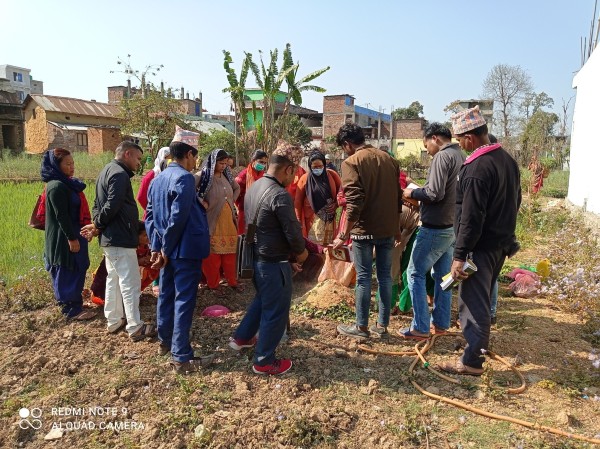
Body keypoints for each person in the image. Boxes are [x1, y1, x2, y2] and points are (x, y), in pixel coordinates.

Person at [439, 106, 521, 376]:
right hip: (499, 244)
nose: (460, 146)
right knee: (482, 299)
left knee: (473, 303)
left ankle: (472, 361)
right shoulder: (506, 160)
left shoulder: (476, 167)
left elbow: (471, 217)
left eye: (460, 140)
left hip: (480, 248)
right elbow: (515, 202)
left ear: (470, 138)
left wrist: (460, 255)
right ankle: (475, 348)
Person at [229, 141, 308, 375]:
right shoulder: (279, 195)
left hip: (256, 257)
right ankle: (264, 360)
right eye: (293, 174)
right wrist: (302, 253)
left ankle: (242, 338)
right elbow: (293, 232)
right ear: (289, 170)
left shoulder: (255, 186)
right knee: (276, 310)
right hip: (274, 262)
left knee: (263, 300)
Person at [146, 141, 214, 374]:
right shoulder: (183, 178)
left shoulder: (157, 180)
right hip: (183, 250)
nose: (195, 163)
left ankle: (165, 342)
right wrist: (165, 248)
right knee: (184, 300)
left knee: (166, 295)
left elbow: (150, 217)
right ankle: (181, 355)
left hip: (169, 251)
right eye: (195, 158)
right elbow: (178, 217)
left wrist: (157, 247)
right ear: (187, 155)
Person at [333, 123, 402, 338]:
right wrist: (396, 228)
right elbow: (398, 197)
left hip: (364, 231)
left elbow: (354, 203)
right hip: (388, 229)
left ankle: (361, 327)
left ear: (347, 144)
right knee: (384, 277)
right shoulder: (389, 159)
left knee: (363, 278)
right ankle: (382, 327)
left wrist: (343, 234)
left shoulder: (351, 162)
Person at [82, 141, 156, 341]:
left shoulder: (106, 171)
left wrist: (98, 225)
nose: (139, 163)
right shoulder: (119, 174)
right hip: (121, 237)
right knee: (130, 282)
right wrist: (98, 224)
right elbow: (112, 205)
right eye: (138, 159)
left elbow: (98, 205)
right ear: (127, 154)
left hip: (111, 238)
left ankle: (114, 320)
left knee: (113, 280)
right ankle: (135, 326)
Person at [399, 123, 465, 340]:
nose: (426, 149)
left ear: (435, 138)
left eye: (426, 143)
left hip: (435, 227)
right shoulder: (459, 155)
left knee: (414, 273)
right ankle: (441, 323)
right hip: (451, 227)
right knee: (443, 277)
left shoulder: (442, 157)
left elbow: (434, 193)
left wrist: (412, 191)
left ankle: (420, 327)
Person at [41, 148, 95, 320]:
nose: (72, 167)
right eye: (67, 164)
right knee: (66, 268)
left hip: (74, 231)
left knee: (78, 265)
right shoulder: (56, 186)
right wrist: (71, 238)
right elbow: (61, 215)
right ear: (56, 165)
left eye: (73, 163)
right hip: (64, 235)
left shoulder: (67, 183)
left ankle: (75, 303)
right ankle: (69, 310)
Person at [195, 149, 241, 294]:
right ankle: (213, 284)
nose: (223, 166)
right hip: (212, 222)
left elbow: (237, 187)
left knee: (230, 255)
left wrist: (231, 199)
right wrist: (201, 201)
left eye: (225, 163)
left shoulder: (226, 176)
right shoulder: (203, 175)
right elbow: (188, 188)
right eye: (221, 163)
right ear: (213, 162)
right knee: (212, 257)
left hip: (228, 222)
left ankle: (232, 281)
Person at [88, 221, 159, 306]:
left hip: (125, 275)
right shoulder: (127, 247)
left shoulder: (144, 246)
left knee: (154, 267)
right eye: (145, 235)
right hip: (105, 284)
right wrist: (139, 261)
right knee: (141, 270)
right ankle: (122, 296)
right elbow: (122, 264)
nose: (148, 238)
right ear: (136, 236)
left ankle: (133, 292)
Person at [294, 151, 341, 244]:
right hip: (312, 219)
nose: (318, 169)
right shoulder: (305, 178)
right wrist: (298, 220)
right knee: (314, 247)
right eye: (315, 167)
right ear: (310, 167)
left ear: (324, 164)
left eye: (320, 166)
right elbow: (298, 202)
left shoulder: (332, 175)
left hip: (330, 218)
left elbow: (341, 193)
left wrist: (336, 204)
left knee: (329, 246)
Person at [235, 150, 268, 235]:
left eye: (264, 163)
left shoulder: (263, 175)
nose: (263, 165)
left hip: (260, 211)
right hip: (244, 210)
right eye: (261, 162)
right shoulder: (243, 176)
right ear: (253, 161)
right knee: (244, 236)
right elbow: (235, 193)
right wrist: (238, 208)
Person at [137, 146, 170, 217]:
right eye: (167, 158)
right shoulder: (151, 175)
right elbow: (141, 197)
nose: (169, 161)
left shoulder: (171, 175)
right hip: (152, 217)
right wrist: (152, 210)